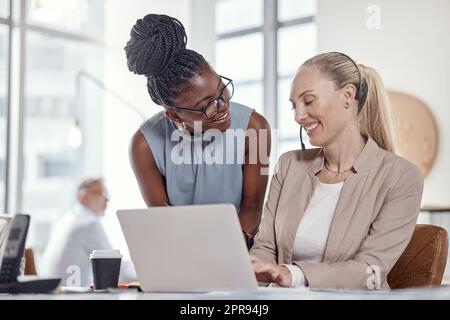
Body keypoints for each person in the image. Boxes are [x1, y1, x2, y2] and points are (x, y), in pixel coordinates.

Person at [250, 52, 424, 289]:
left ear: (348, 96)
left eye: (309, 101)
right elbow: (266, 246)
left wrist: (293, 275)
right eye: (294, 106)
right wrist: (258, 269)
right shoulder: (289, 165)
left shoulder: (401, 177)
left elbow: (370, 270)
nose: (299, 116)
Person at [125, 14, 271, 246]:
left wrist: (228, 248)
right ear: (174, 115)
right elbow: (163, 218)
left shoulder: (254, 128)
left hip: (240, 250)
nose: (223, 106)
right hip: (181, 250)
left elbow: (252, 208)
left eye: (222, 91)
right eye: (206, 106)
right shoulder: (144, 145)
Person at [40, 178, 135, 287]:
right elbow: (117, 269)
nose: (107, 199)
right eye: (101, 193)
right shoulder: (88, 224)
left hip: (53, 291)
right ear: (84, 197)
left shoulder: (69, 219)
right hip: (69, 295)